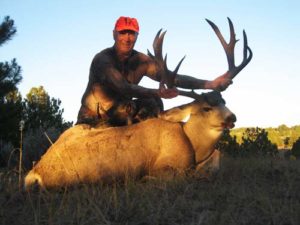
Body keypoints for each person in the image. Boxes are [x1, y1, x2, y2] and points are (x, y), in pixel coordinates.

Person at [76, 16, 233, 127]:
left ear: (137, 36)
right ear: (114, 34)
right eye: (122, 33)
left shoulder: (141, 61)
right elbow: (124, 87)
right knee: (150, 101)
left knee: (154, 104)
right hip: (93, 117)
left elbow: (172, 77)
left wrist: (210, 84)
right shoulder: (103, 60)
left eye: (131, 33)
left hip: (123, 111)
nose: (127, 38)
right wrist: (158, 92)